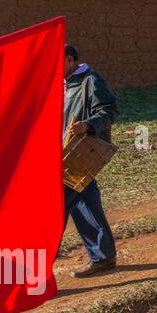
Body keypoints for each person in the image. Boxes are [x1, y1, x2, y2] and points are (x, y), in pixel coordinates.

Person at [62, 44, 120, 277]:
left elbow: (110, 109)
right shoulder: (63, 84)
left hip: (79, 151)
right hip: (64, 153)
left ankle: (37, 266)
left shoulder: (90, 80)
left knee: (57, 205)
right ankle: (103, 257)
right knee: (85, 202)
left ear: (68, 60)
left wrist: (88, 125)